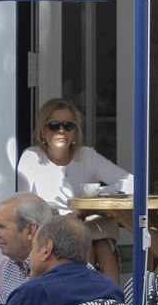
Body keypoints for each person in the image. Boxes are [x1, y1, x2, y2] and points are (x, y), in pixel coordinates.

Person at [16, 97, 130, 281]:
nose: (61, 130)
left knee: (100, 246)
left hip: (86, 229)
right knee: (90, 246)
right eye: (54, 125)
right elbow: (24, 206)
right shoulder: (31, 158)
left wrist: (93, 197)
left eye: (69, 126)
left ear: (75, 132)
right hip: (48, 233)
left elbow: (131, 182)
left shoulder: (86, 156)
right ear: (42, 131)